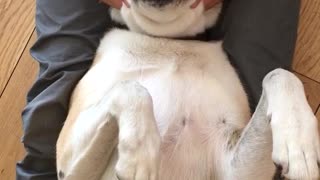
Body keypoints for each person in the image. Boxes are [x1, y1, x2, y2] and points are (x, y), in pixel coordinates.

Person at [16, 0, 301, 179]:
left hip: (131, 42)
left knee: (48, 123)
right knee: (271, 91)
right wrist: (284, 88)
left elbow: (70, 172)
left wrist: (126, 102)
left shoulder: (112, 59)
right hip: (210, 57)